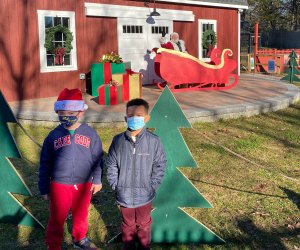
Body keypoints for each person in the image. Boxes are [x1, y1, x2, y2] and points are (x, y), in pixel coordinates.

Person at [38, 88, 103, 250]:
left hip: (84, 183)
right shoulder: (53, 136)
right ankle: (53, 244)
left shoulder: (91, 134)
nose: (65, 115)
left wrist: (97, 179)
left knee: (81, 214)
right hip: (59, 185)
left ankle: (79, 239)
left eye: (70, 111)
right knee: (57, 217)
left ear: (80, 112)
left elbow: (97, 159)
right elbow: (44, 163)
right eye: (61, 112)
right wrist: (44, 187)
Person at [106, 98, 167, 250]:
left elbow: (160, 165)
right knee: (128, 224)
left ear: (147, 118)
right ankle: (129, 246)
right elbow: (111, 164)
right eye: (130, 115)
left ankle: (144, 246)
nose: (134, 118)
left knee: (144, 223)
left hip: (145, 195)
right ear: (126, 118)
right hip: (124, 195)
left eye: (139, 115)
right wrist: (116, 185)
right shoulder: (118, 141)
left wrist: (151, 185)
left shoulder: (154, 141)